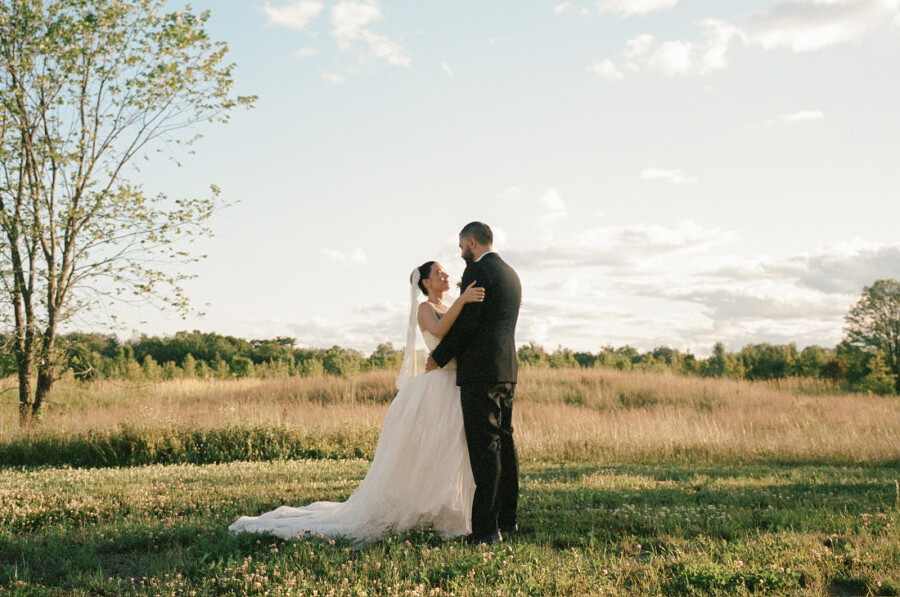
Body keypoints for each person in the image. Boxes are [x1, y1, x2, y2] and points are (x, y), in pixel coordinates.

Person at [228, 262, 483, 547]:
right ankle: (429, 509)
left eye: (445, 271)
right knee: (434, 448)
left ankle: (455, 508)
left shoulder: (453, 305)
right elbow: (440, 331)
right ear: (425, 282)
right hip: (437, 385)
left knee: (454, 448)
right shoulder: (426, 308)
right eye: (438, 273)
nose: (445, 275)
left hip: (457, 383)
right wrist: (462, 300)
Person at [426, 221, 522, 546]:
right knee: (505, 447)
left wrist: (438, 357)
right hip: (506, 370)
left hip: (481, 372)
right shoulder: (511, 274)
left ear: (471, 242)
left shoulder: (477, 273)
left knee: (485, 450)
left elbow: (467, 324)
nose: (460, 252)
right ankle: (508, 522)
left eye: (461, 246)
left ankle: (485, 530)